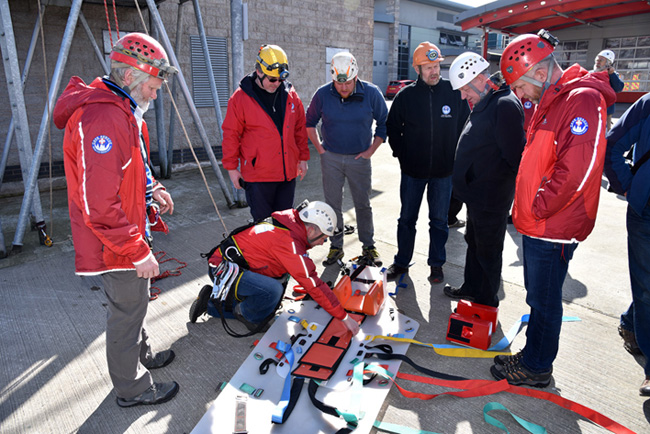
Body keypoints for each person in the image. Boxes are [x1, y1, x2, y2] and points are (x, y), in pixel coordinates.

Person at [53, 33, 179, 407]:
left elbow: (132, 164)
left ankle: (142, 357)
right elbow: (100, 205)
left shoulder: (125, 112)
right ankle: (132, 389)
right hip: (116, 244)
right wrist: (138, 251)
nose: (156, 95)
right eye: (153, 87)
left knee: (135, 304)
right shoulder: (104, 117)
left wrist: (152, 187)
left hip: (126, 232)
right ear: (129, 79)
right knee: (125, 314)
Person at [491, 29, 615, 387]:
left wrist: (537, 207)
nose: (518, 93)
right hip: (539, 223)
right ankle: (533, 355)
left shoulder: (581, 100)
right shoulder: (555, 99)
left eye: (520, 85)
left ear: (541, 74)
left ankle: (537, 367)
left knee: (544, 303)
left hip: (552, 227)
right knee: (538, 298)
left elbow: (578, 168)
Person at [190, 201, 360, 335]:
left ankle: (225, 298)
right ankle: (226, 309)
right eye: (324, 237)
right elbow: (313, 284)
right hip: (223, 269)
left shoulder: (291, 222)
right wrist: (343, 317)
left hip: (232, 264)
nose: (324, 242)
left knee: (276, 285)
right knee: (272, 291)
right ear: (313, 229)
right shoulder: (289, 244)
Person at [443, 52, 525, 307]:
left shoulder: (504, 105)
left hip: (491, 198)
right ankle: (471, 288)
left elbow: (515, 158)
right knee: (474, 244)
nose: (462, 96)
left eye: (465, 89)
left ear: (481, 79)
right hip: (477, 196)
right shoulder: (487, 101)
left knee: (488, 251)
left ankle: (486, 302)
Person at [385, 42, 470, 283]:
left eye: (436, 66)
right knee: (407, 219)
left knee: (440, 221)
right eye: (428, 67)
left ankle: (436, 264)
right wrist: (402, 154)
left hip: (444, 173)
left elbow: (466, 126)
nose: (434, 71)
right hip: (413, 172)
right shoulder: (406, 96)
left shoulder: (453, 92)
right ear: (417, 69)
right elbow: (392, 128)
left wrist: (457, 158)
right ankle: (401, 262)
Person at [305, 52, 388, 267]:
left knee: (363, 204)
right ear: (333, 78)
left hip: (359, 158)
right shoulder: (322, 94)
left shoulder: (371, 93)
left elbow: (384, 123)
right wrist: (321, 150)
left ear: (356, 76)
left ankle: (368, 246)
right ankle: (336, 246)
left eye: (348, 83)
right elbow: (309, 122)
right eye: (339, 83)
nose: (343, 88)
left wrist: (371, 150)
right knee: (332, 205)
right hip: (330, 157)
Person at [222, 44, 309, 221]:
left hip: (287, 174)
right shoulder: (240, 99)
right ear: (259, 71)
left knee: (285, 223)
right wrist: (232, 168)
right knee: (263, 226)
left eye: (280, 79)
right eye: (272, 79)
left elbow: (300, 128)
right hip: (258, 176)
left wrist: (303, 158)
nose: (277, 84)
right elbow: (231, 134)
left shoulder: (291, 95)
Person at [603, 93, 650, 395]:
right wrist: (632, 188)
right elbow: (611, 146)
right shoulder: (647, 105)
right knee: (647, 288)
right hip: (646, 213)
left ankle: (631, 324)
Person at [592, 49, 624, 131]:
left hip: (606, 112)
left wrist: (612, 75)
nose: (598, 62)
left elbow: (618, 88)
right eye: (597, 60)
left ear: (608, 63)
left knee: (604, 133)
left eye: (601, 60)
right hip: (591, 108)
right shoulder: (590, 74)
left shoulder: (612, 75)